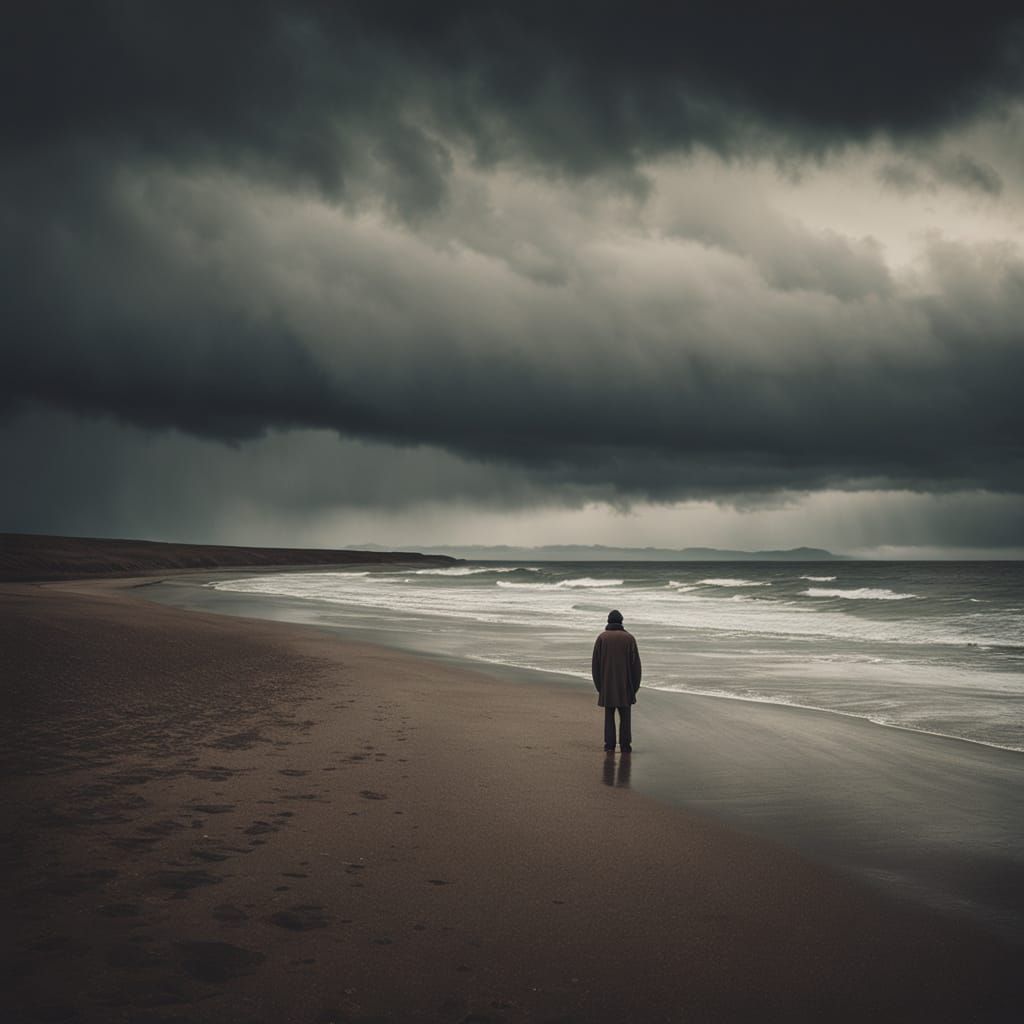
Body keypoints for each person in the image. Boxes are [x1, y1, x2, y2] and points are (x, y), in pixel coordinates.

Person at [592, 609, 642, 753]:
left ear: (608, 621)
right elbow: (636, 667)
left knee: (609, 717)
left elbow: (595, 666)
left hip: (607, 686)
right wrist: (634, 688)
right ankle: (625, 746)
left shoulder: (602, 638)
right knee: (625, 718)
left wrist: (600, 687)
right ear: (621, 621)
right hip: (626, 686)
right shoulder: (629, 639)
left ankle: (609, 745)